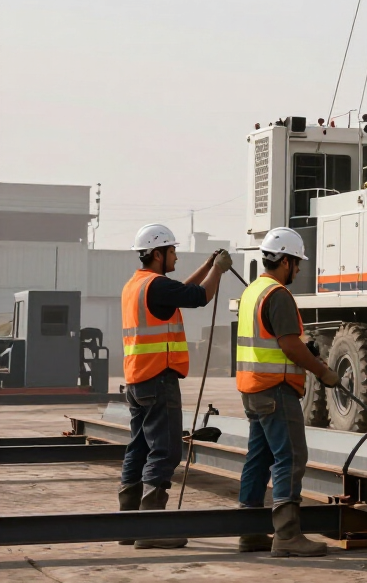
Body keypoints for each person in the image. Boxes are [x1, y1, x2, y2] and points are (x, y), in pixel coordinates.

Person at [119, 223, 231, 549]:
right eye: (172, 251)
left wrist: (208, 265)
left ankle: (127, 524)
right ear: (158, 254)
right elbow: (200, 296)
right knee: (166, 451)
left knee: (139, 449)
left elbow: (180, 289)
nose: (176, 256)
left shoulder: (137, 285)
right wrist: (219, 270)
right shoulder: (156, 286)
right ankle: (152, 529)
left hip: (137, 380)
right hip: (158, 379)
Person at [235, 227, 339, 556]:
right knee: (291, 457)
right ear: (285, 261)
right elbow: (289, 345)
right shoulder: (278, 294)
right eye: (297, 263)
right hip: (276, 389)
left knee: (259, 458)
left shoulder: (253, 291)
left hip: (253, 389)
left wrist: (305, 352)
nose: (299, 269)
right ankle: (287, 535)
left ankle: (249, 532)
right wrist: (322, 371)